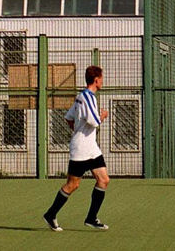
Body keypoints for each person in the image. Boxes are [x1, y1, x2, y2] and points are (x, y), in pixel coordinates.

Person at [43, 65, 110, 232]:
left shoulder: (81, 96)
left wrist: (79, 129)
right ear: (96, 80)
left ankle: (91, 218)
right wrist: (102, 116)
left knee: (103, 179)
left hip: (91, 147)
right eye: (101, 78)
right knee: (72, 185)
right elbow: (94, 121)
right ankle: (51, 214)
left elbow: (69, 118)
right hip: (81, 149)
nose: (103, 81)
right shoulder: (88, 97)